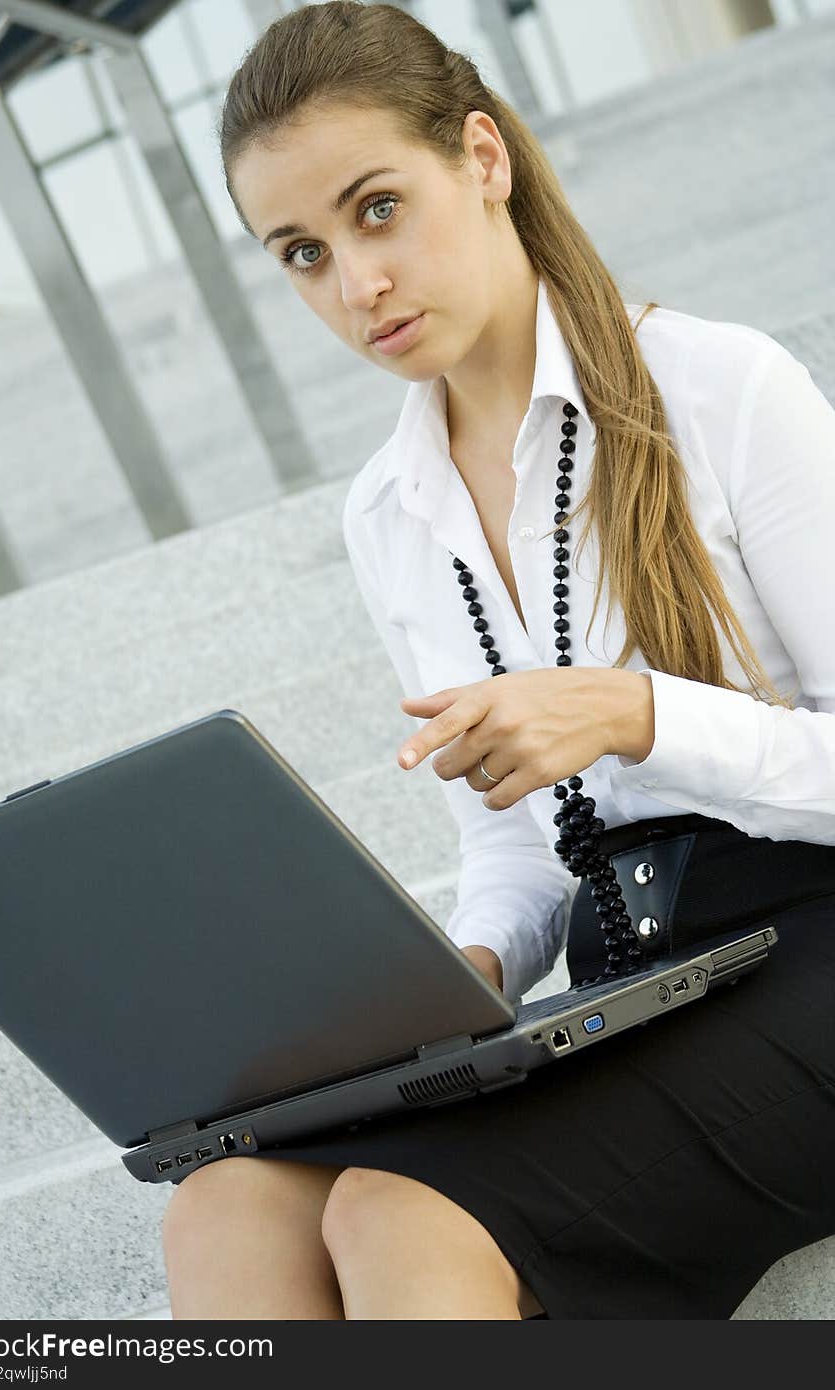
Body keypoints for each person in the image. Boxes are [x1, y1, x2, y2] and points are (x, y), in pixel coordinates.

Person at [160, 2, 835, 1319]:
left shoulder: (722, 389)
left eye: (375, 210)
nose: (356, 285)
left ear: (481, 157)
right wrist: (460, 979)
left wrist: (640, 713)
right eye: (302, 252)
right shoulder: (388, 513)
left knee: (398, 1207)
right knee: (229, 1200)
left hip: (814, 939)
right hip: (631, 977)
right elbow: (521, 847)